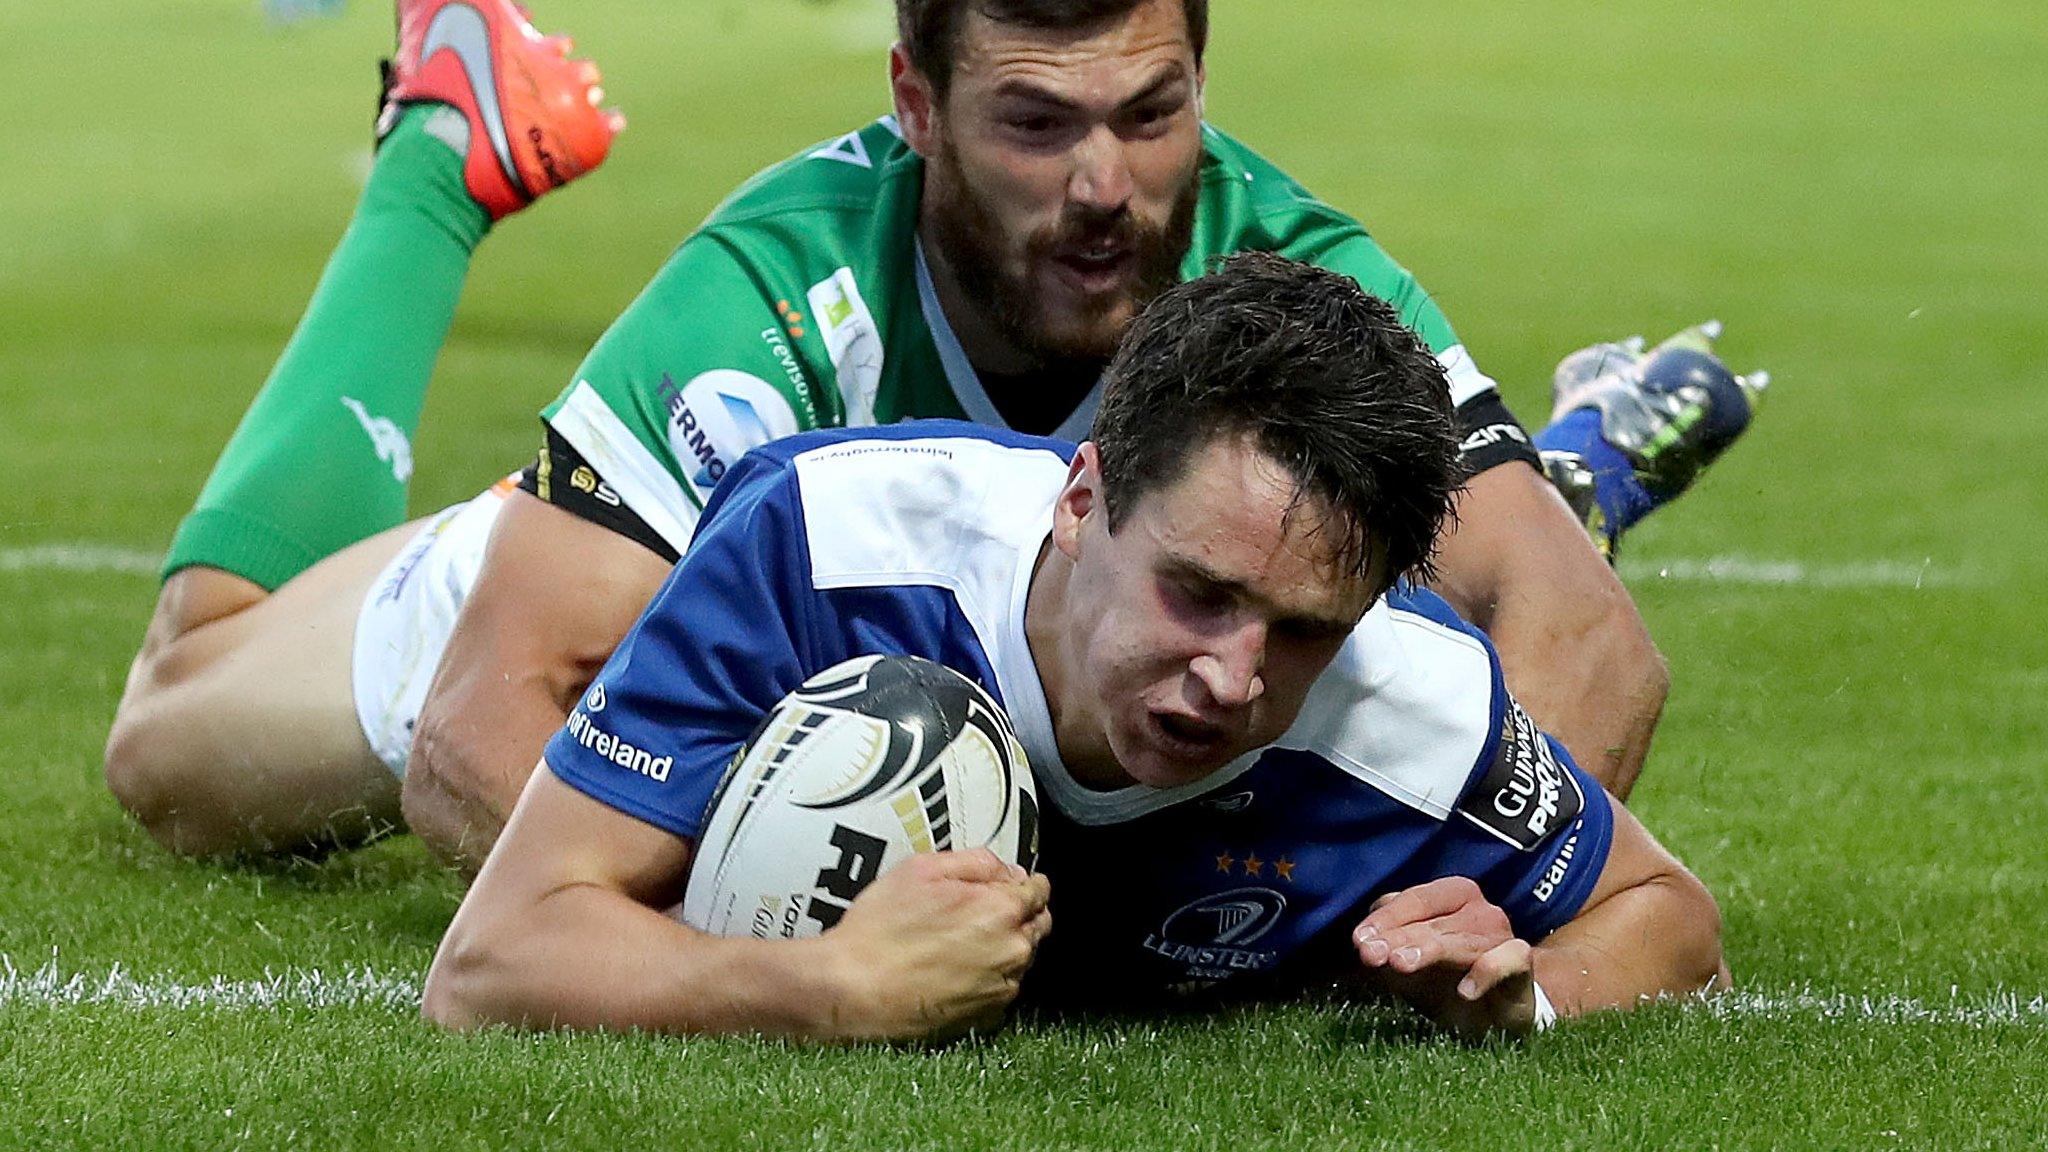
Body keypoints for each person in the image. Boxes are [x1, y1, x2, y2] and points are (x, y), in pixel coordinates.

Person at [105, 0, 1762, 863]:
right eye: (1034, 126)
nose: (1106, 190)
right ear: (915, 102)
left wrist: (1431, 912)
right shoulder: (777, 287)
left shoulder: (1293, 269)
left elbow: (1584, 648)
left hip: (1068, 651)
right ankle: (446, 148)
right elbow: (482, 732)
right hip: (650, 578)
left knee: (1296, 586)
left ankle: (1550, 479)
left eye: (1151, 114)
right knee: (180, 723)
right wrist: (779, 930)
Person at [422, 255, 1726, 1043]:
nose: (1231, 676)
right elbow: (490, 961)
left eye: (1304, 632)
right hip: (475, 577)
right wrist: (823, 987)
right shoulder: (821, 545)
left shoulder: (1414, 704)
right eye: (1197, 593)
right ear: (1083, 496)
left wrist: (1532, 991)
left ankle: (1581, 473)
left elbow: (1666, 917)